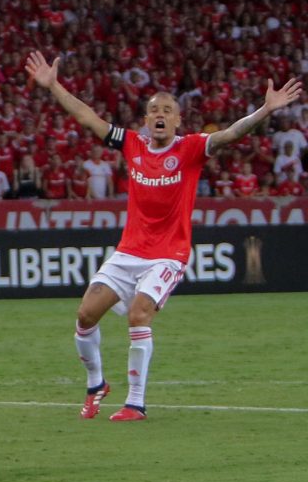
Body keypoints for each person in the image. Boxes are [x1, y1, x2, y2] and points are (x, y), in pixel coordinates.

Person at [25, 50, 302, 421]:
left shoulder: (189, 149)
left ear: (178, 120)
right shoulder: (133, 145)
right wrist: (53, 85)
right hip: (129, 251)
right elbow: (86, 116)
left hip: (168, 254)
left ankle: (135, 403)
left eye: (167, 110)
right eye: (154, 110)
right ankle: (96, 385)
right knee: (85, 315)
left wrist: (265, 110)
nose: (160, 115)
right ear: (145, 119)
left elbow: (231, 133)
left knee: (139, 315)